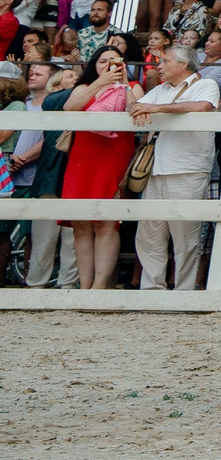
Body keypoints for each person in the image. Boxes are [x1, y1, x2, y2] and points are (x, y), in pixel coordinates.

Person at [130, 46, 219, 290]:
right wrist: (139, 109)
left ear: (183, 64)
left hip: (188, 168)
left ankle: (184, 290)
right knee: (149, 234)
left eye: (165, 61)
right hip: (156, 168)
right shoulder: (160, 89)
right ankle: (152, 289)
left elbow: (202, 107)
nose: (159, 66)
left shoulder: (206, 84)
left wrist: (155, 109)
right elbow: (136, 105)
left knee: (186, 236)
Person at [61, 48, 140, 288]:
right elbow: (69, 108)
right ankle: (85, 285)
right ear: (94, 64)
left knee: (107, 221)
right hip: (83, 156)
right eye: (103, 61)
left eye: (114, 61)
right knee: (81, 222)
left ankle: (100, 285)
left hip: (114, 155)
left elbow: (134, 110)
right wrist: (100, 83)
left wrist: (123, 84)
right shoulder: (84, 88)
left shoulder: (134, 85)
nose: (108, 65)